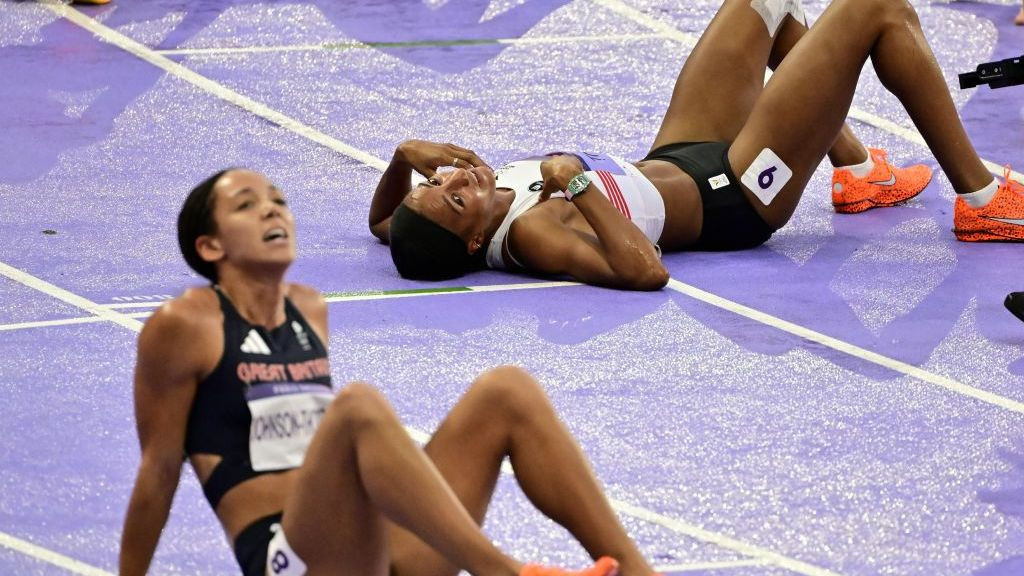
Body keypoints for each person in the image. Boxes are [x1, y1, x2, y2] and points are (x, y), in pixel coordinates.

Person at [119, 168, 657, 576]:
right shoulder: (183, 325)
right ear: (210, 246)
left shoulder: (308, 309)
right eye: (247, 205)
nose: (273, 212)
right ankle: (504, 571)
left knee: (506, 391)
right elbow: (158, 472)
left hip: (372, 547)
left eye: (278, 202)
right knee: (356, 408)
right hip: (290, 556)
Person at [370, 0, 1023, 291]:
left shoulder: (430, 220)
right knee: (875, 6)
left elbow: (382, 224)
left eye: (438, 185)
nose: (454, 183)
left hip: (681, 154)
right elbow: (645, 271)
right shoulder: (534, 237)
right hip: (735, 197)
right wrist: (574, 183)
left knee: (763, 0)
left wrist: (403, 156)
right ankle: (982, 196)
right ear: (473, 244)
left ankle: (856, 170)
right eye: (455, 204)